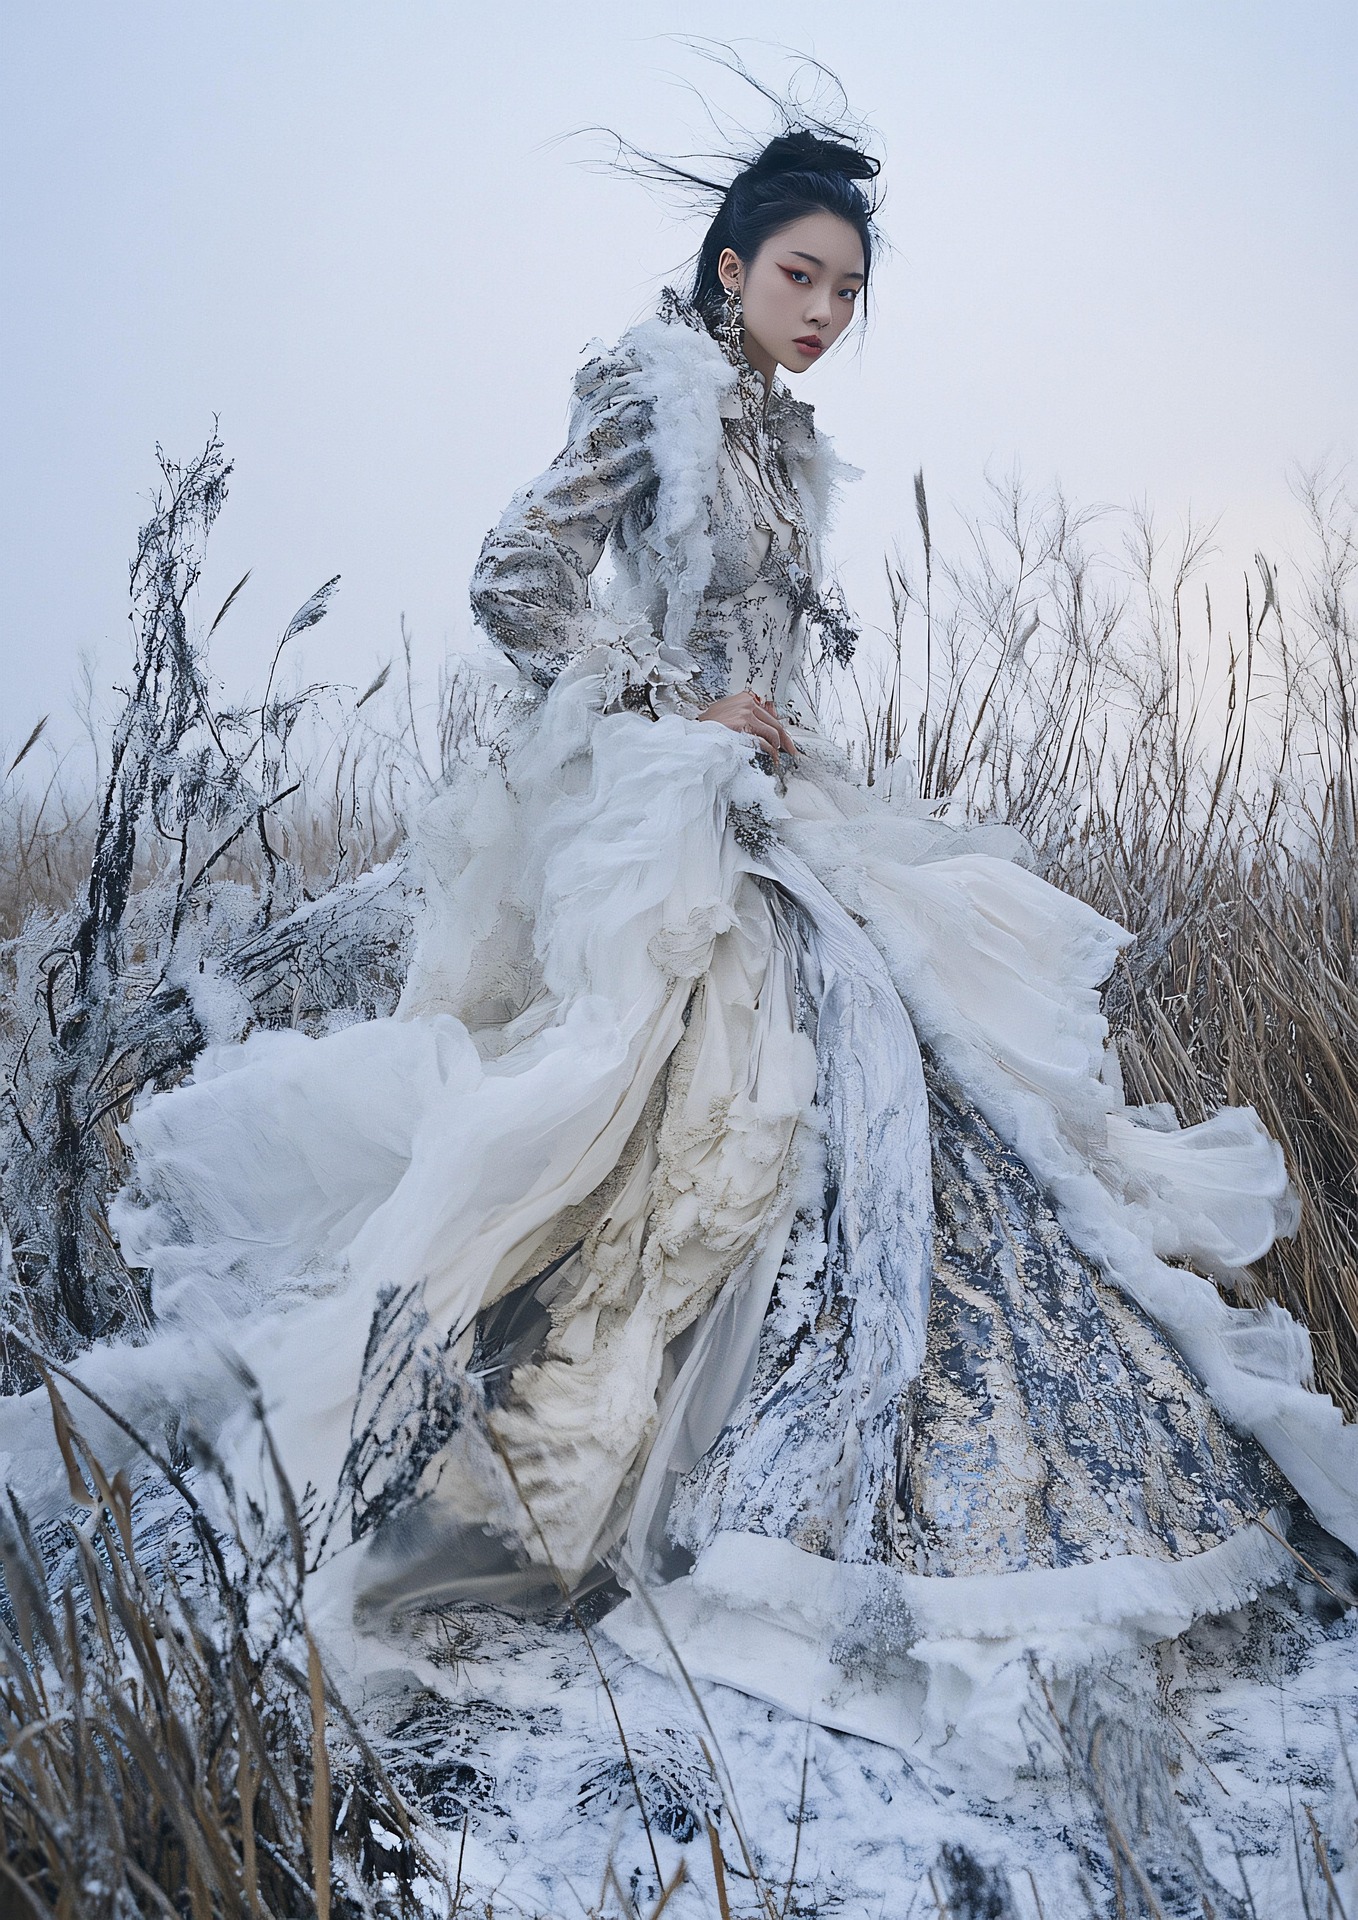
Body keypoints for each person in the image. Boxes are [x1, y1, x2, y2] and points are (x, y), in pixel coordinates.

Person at [47, 117, 1358, 1785]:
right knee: (695, 1140)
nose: (824, 311)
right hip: (669, 818)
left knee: (877, 1129)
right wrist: (681, 701)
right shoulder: (648, 387)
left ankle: (844, 1478)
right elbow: (513, 578)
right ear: (730, 268)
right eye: (799, 276)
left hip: (776, 813)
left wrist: (764, 730)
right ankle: (511, 1489)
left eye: (848, 292)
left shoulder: (781, 435)